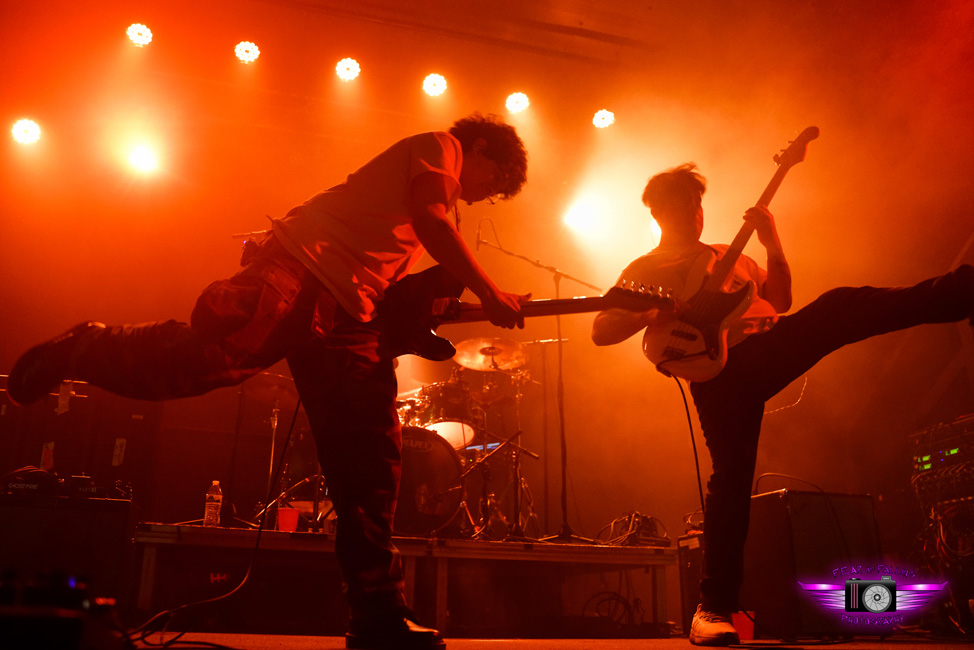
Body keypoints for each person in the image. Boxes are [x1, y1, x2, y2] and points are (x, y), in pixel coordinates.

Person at [8, 113, 530, 650]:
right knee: (205, 360)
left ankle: (377, 612)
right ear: (482, 146)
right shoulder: (439, 147)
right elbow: (431, 222)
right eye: (494, 180)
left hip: (347, 314)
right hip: (302, 268)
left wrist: (474, 303)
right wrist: (491, 292)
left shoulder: (448, 218)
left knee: (369, 459)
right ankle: (88, 346)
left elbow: (404, 292)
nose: (486, 193)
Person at [591, 163, 973, 646]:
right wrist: (654, 309)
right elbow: (601, 330)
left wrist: (771, 241)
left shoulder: (727, 256)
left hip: (765, 351)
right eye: (682, 205)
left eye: (697, 204)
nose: (694, 213)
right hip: (717, 374)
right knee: (731, 479)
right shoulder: (646, 267)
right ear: (659, 212)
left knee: (839, 306)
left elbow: (782, 300)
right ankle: (713, 610)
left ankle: (961, 290)